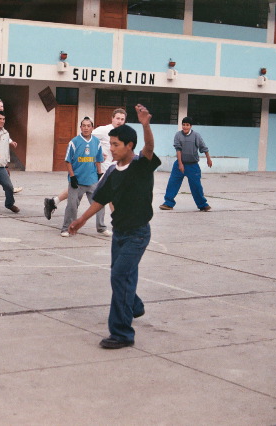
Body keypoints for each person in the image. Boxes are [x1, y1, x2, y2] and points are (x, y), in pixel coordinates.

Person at [68, 104, 160, 349]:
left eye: (116, 144)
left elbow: (149, 147)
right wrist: (82, 219)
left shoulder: (141, 165)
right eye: (110, 144)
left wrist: (145, 124)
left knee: (119, 275)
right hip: (119, 233)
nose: (112, 149)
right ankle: (135, 306)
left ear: (129, 145)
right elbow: (99, 199)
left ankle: (121, 334)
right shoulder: (112, 172)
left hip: (138, 234)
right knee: (123, 275)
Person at [44, 109, 126, 220]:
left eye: (122, 119)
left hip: (111, 169)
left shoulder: (123, 134)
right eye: (117, 118)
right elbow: (86, 138)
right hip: (98, 169)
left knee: (81, 190)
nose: (119, 121)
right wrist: (97, 152)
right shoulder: (104, 130)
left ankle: (53, 201)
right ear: (112, 118)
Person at [59, 117, 109, 237]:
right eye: (84, 125)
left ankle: (101, 227)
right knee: (72, 206)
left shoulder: (96, 142)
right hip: (77, 181)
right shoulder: (74, 142)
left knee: (100, 203)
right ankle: (66, 228)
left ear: (92, 128)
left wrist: (99, 173)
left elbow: (98, 159)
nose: (86, 128)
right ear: (80, 127)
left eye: (88, 126)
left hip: (92, 180)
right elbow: (68, 161)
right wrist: (72, 177)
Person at [159, 117, 213, 212]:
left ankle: (202, 205)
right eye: (183, 124)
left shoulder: (196, 136)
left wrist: (209, 159)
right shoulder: (178, 135)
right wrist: (180, 164)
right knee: (172, 183)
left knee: (196, 186)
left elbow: (203, 147)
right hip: (179, 164)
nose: (185, 127)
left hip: (193, 166)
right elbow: (178, 149)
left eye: (187, 125)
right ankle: (168, 203)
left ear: (191, 126)